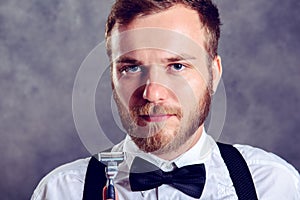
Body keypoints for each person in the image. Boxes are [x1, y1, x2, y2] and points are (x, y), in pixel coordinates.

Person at [31, 0, 300, 199]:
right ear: (113, 77)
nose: (152, 93)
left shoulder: (273, 184)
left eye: (177, 66)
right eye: (131, 67)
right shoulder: (61, 191)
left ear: (214, 74)